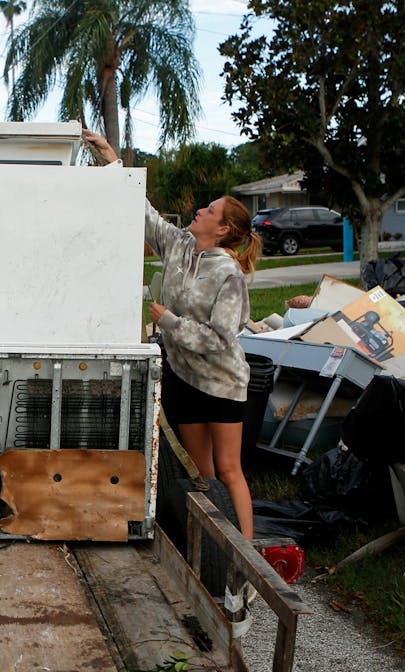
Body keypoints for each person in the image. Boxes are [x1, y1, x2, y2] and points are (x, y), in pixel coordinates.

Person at [84, 129, 259, 540]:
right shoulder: (179, 246)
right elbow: (142, 213)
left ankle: (249, 557)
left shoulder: (229, 275)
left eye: (210, 210)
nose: (201, 209)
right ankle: (217, 550)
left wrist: (168, 321)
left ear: (224, 229)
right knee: (204, 475)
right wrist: (110, 158)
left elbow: (219, 338)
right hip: (185, 379)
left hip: (221, 384)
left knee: (230, 471)